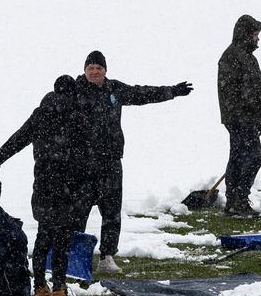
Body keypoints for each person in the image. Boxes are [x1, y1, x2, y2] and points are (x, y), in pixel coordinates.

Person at [69, 50, 192, 275]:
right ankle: (73, 257)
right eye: (90, 68)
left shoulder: (114, 89)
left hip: (111, 162)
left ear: (105, 70)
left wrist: (172, 91)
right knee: (78, 211)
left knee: (112, 211)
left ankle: (107, 256)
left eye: (99, 68)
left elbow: (142, 93)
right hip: (83, 165)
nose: (95, 72)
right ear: (84, 70)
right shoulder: (74, 91)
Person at [0, 75, 91, 296]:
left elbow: (18, 139)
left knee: (43, 236)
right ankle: (59, 292)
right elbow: (86, 156)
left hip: (42, 185)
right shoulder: (76, 114)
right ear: (72, 92)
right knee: (62, 239)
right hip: (66, 187)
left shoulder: (40, 113)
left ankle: (40, 289)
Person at [216, 15, 261, 217]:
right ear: (246, 35)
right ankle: (239, 200)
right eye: (255, 34)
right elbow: (234, 90)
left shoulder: (247, 57)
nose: (258, 39)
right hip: (239, 118)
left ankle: (233, 202)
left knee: (238, 157)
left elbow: (257, 88)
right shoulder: (232, 57)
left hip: (244, 117)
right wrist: (248, 106)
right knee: (254, 157)